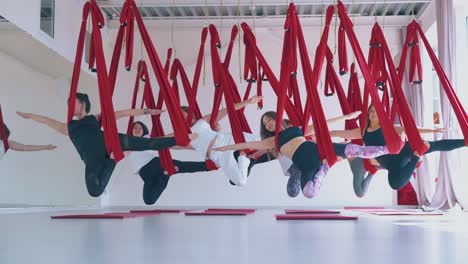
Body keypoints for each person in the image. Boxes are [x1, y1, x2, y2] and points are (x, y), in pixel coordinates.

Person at [17, 92, 192, 197]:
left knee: (147, 143)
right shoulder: (69, 127)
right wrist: (30, 115)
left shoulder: (95, 118)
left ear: (82, 104)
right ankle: (112, 162)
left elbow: (122, 113)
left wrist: (146, 111)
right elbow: (48, 121)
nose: (69, 106)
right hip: (94, 160)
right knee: (94, 191)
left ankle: (183, 138)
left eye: (72, 102)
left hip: (110, 143)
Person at [215, 111, 390, 198]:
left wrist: (346, 117)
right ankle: (324, 169)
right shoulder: (272, 142)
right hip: (305, 164)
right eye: (265, 124)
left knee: (354, 149)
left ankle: (388, 148)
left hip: (315, 149)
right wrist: (227, 147)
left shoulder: (296, 128)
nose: (268, 124)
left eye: (269, 120)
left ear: (278, 118)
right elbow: (248, 144)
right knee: (308, 193)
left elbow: (322, 124)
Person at [330, 104, 465, 190]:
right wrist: (320, 136)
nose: (373, 114)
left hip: (402, 152)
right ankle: (417, 157)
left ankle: (465, 142)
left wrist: (433, 131)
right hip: (391, 164)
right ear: (368, 114)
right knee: (394, 184)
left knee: (436, 146)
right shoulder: (363, 131)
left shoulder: (388, 128)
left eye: (376, 112)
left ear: (381, 115)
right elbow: (338, 133)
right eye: (371, 111)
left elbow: (411, 129)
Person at [176, 96, 263, 186]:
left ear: (190, 114)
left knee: (264, 142)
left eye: (182, 114)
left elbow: (227, 110)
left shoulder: (201, 121)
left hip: (225, 139)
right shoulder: (184, 137)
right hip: (218, 154)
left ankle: (267, 149)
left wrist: (248, 102)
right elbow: (165, 142)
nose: (181, 118)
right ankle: (244, 156)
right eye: (178, 117)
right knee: (241, 181)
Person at [127, 121, 210, 204]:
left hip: (153, 164)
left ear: (143, 131)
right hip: (145, 175)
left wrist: (184, 136)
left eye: (140, 128)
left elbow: (166, 138)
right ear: (131, 130)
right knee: (149, 200)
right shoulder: (127, 142)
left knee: (184, 166)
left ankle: (209, 165)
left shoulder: (147, 138)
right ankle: (166, 174)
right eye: (135, 128)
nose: (137, 130)